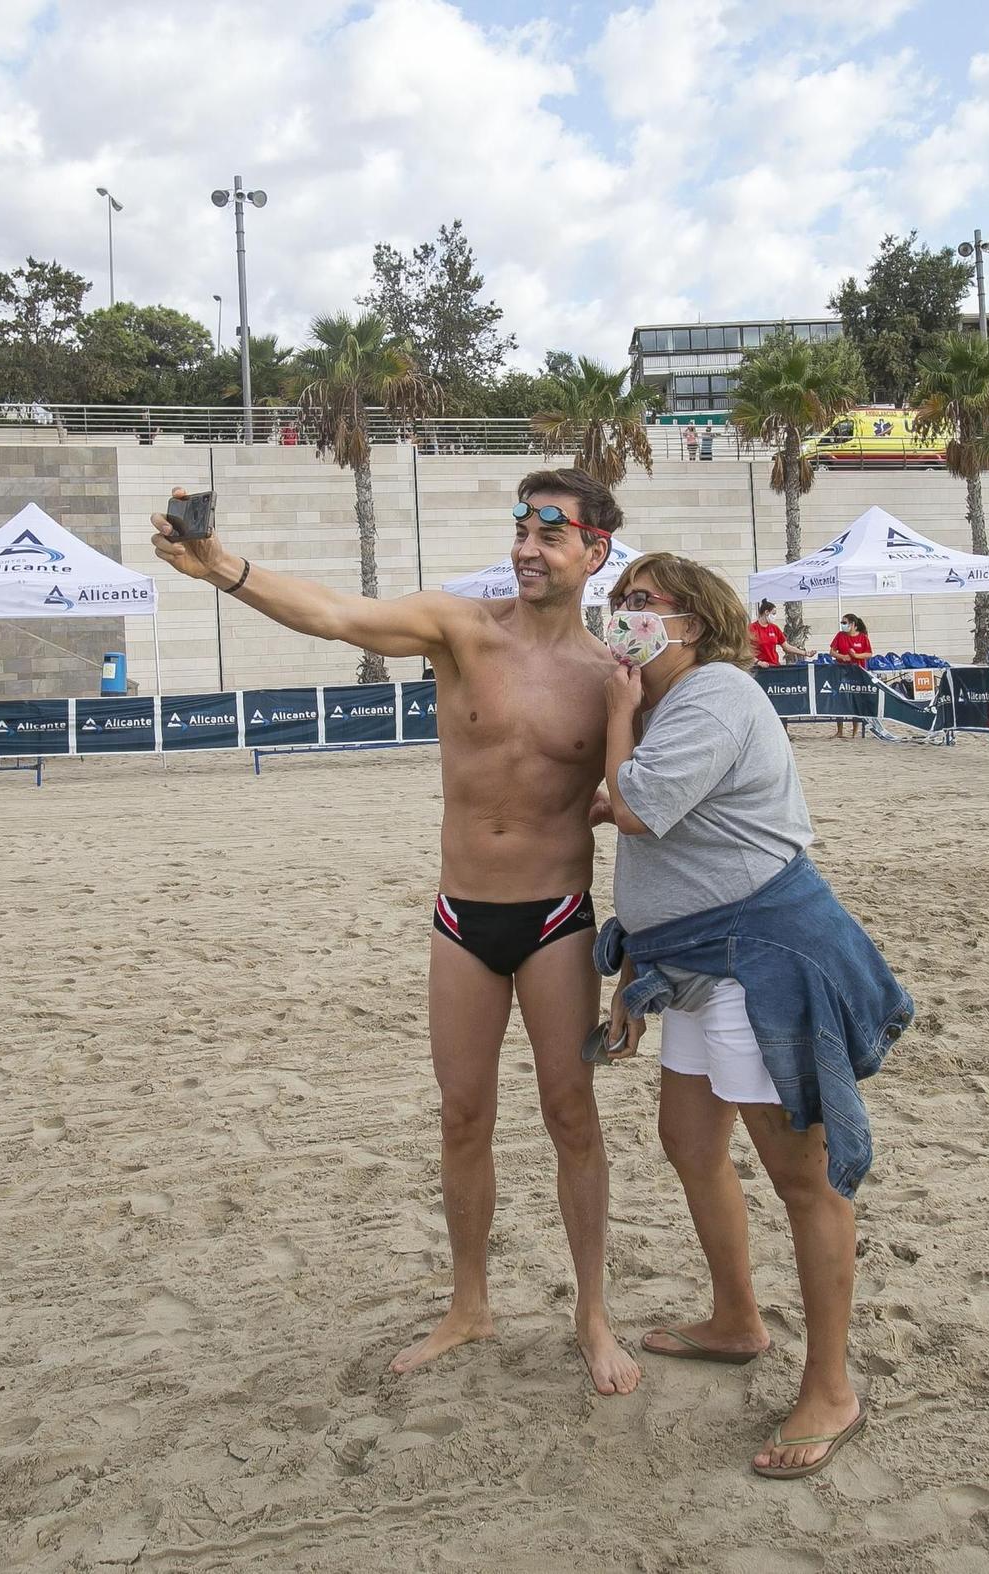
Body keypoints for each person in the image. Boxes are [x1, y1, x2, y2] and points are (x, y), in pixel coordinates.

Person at [151, 468, 641, 1397]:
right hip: (462, 917)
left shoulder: (612, 677)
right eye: (520, 528)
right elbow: (338, 614)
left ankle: (592, 1311)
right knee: (463, 1116)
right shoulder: (461, 628)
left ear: (594, 550)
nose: (527, 547)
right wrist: (222, 565)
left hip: (558, 917)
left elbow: (656, 805)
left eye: (551, 531)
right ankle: (470, 1303)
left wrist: (643, 961)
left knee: (571, 1115)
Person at [593, 551, 909, 1480]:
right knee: (689, 1142)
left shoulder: (717, 694)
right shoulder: (668, 706)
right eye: (619, 602)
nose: (623, 617)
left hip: (760, 959)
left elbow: (637, 811)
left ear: (693, 621)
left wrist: (616, 718)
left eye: (642, 603)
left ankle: (832, 1387)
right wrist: (634, 973)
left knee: (802, 1175)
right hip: (694, 963)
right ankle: (737, 1319)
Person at [829, 613, 872, 739]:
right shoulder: (840, 635)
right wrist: (842, 657)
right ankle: (840, 731)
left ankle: (854, 732)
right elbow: (832, 651)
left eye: (845, 623)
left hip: (857, 672)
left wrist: (856, 656)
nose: (843, 625)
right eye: (842, 623)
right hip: (841, 671)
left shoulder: (863, 637)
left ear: (853, 624)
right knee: (840, 700)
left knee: (855, 701)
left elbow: (869, 653)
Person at [748, 600, 808, 667]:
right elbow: (744, 651)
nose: (775, 616)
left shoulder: (774, 628)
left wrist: (805, 653)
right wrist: (758, 662)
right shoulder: (751, 628)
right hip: (758, 669)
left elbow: (787, 647)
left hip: (774, 666)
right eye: (773, 613)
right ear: (766, 612)